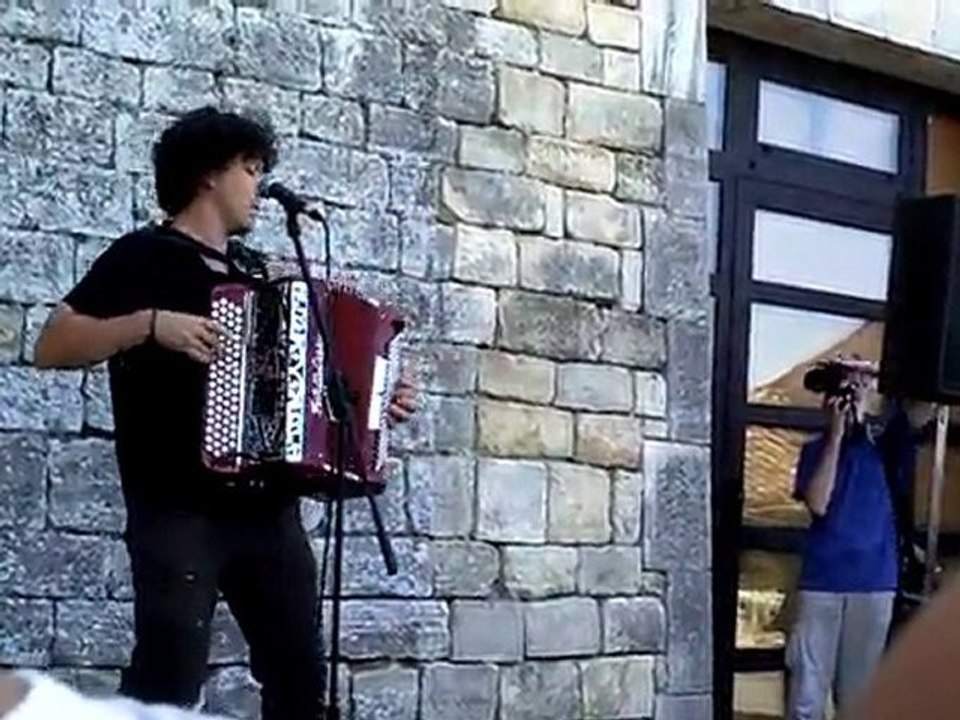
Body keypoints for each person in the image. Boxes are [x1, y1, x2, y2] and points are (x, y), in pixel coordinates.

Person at [32, 106, 418, 720]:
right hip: (178, 508)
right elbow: (52, 344)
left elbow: (309, 379)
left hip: (266, 509)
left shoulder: (258, 274)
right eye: (251, 167)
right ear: (209, 173)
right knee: (169, 681)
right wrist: (150, 325)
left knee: (300, 678)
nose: (261, 186)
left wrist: (377, 396)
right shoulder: (143, 255)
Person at [785, 358, 931, 720]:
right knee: (807, 695)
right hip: (822, 583)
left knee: (860, 697)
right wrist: (836, 435)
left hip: (874, 585)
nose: (852, 393)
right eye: (844, 387)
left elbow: (921, 411)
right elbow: (818, 502)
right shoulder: (815, 450)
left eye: (859, 385)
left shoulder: (887, 447)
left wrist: (886, 382)